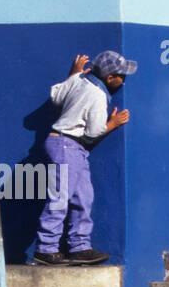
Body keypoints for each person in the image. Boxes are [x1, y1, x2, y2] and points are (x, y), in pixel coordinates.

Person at [33, 50, 136, 266]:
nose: (123, 80)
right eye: (121, 76)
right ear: (109, 78)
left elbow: (56, 95)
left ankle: (79, 246)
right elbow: (94, 131)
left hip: (70, 147)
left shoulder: (79, 79)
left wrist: (73, 73)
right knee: (60, 197)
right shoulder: (98, 95)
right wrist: (114, 123)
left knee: (83, 197)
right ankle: (46, 248)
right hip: (67, 145)